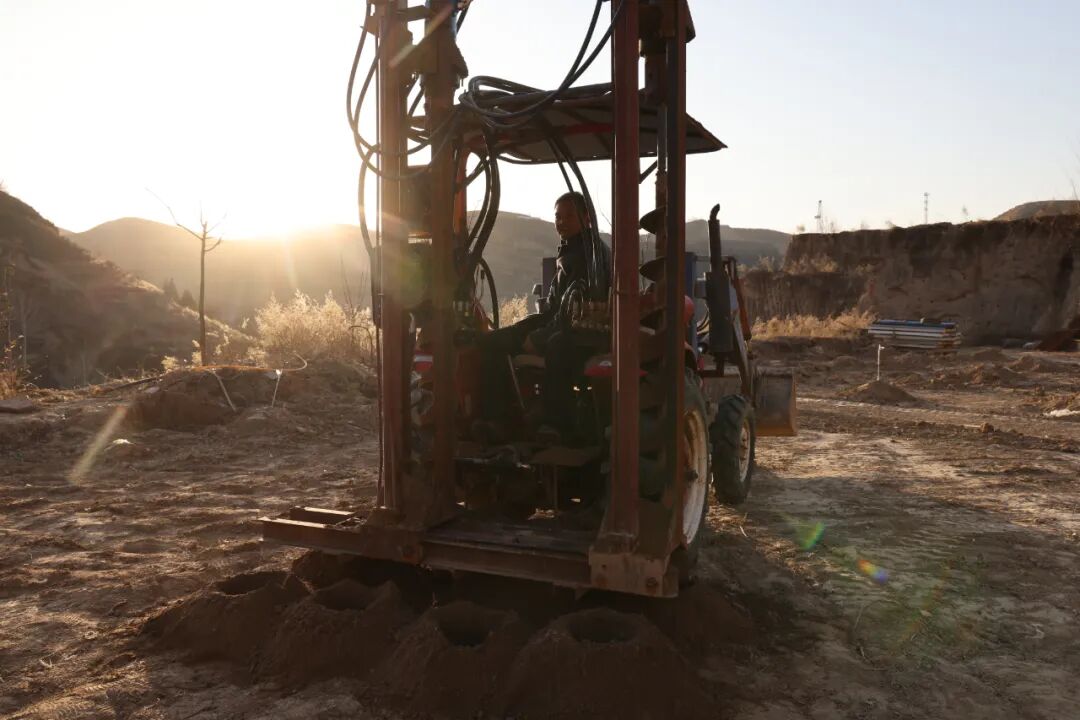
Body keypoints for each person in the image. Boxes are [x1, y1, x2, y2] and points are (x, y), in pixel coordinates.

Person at [475, 191, 609, 444]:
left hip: (576, 335)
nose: (562, 222)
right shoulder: (572, 250)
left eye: (569, 216)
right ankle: (501, 419)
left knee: (551, 346)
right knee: (492, 340)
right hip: (554, 323)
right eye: (558, 216)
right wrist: (526, 327)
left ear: (587, 218)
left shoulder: (589, 256)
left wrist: (537, 338)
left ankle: (547, 424)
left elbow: (575, 312)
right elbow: (555, 309)